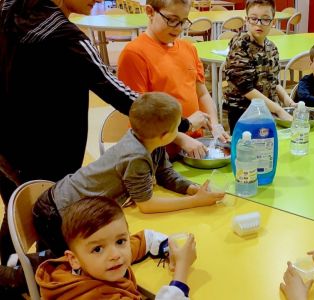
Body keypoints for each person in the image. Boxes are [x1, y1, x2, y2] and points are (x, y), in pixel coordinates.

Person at [0, 0, 206, 267]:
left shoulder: (9, 11)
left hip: (8, 146)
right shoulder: (66, 37)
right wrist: (180, 125)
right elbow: (120, 94)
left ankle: (18, 271)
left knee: (19, 222)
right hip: (48, 154)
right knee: (52, 234)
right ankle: (34, 276)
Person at [32, 92, 224, 257]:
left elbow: (165, 174)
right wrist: (195, 201)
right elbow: (147, 205)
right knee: (70, 266)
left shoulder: (150, 142)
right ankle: (17, 272)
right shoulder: (136, 156)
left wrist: (192, 190)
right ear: (165, 135)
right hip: (57, 213)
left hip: (67, 205)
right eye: (178, 127)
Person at [117, 0, 230, 152]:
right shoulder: (134, 53)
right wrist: (181, 138)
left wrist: (215, 125)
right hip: (158, 151)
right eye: (172, 20)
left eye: (183, 21)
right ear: (150, 12)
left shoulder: (189, 49)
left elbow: (202, 93)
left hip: (195, 143)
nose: (178, 28)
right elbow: (140, 114)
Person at [35, 196, 196, 299]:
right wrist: (182, 269)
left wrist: (167, 248)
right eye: (97, 249)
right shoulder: (97, 295)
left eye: (120, 241)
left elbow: (145, 238)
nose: (115, 254)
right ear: (73, 259)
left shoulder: (91, 262)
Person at [223, 0, 295, 130]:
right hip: (244, 113)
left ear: (273, 22)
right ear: (246, 20)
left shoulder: (271, 47)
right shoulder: (240, 46)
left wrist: (288, 101)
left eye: (265, 19)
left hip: (268, 110)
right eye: (254, 19)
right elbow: (247, 89)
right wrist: (279, 110)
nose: (259, 24)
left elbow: (273, 81)